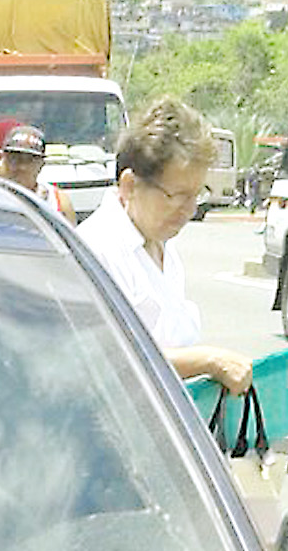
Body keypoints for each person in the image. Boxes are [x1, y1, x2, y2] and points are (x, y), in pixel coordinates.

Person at [77, 97, 253, 396]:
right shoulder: (98, 250)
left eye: (195, 196)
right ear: (130, 185)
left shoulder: (161, 244)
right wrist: (208, 361)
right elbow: (113, 360)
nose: (188, 210)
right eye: (177, 196)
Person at [0, 119, 75, 221]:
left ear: (42, 164)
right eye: (15, 159)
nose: (22, 167)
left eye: (30, 160)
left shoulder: (57, 202)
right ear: (1, 158)